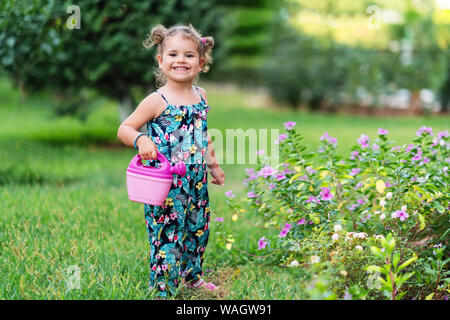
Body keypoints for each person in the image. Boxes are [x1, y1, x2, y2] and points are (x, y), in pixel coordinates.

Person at [116, 23, 225, 299]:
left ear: (201, 63)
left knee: (198, 228)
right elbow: (125, 128)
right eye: (173, 54)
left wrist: (213, 165)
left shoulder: (201, 96)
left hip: (196, 182)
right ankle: (163, 286)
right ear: (161, 61)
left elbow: (203, 136)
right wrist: (141, 140)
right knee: (167, 232)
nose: (181, 61)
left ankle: (192, 276)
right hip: (165, 185)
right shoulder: (156, 100)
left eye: (189, 55)